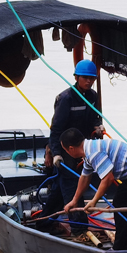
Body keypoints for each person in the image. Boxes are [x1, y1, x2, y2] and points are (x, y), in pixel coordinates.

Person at [61, 127, 127, 250]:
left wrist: (94, 201)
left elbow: (108, 178)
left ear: (71, 149)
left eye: (65, 150)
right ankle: (122, 247)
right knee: (119, 205)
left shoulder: (93, 152)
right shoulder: (89, 151)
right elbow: (84, 177)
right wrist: (74, 201)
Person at [39, 59, 104, 235]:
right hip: (66, 149)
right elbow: (56, 130)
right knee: (72, 186)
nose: (89, 81)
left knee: (59, 189)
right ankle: (79, 229)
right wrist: (56, 154)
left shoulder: (93, 96)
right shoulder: (66, 99)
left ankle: (44, 221)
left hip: (83, 148)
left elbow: (95, 117)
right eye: (85, 78)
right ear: (76, 77)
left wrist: (98, 126)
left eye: (92, 78)